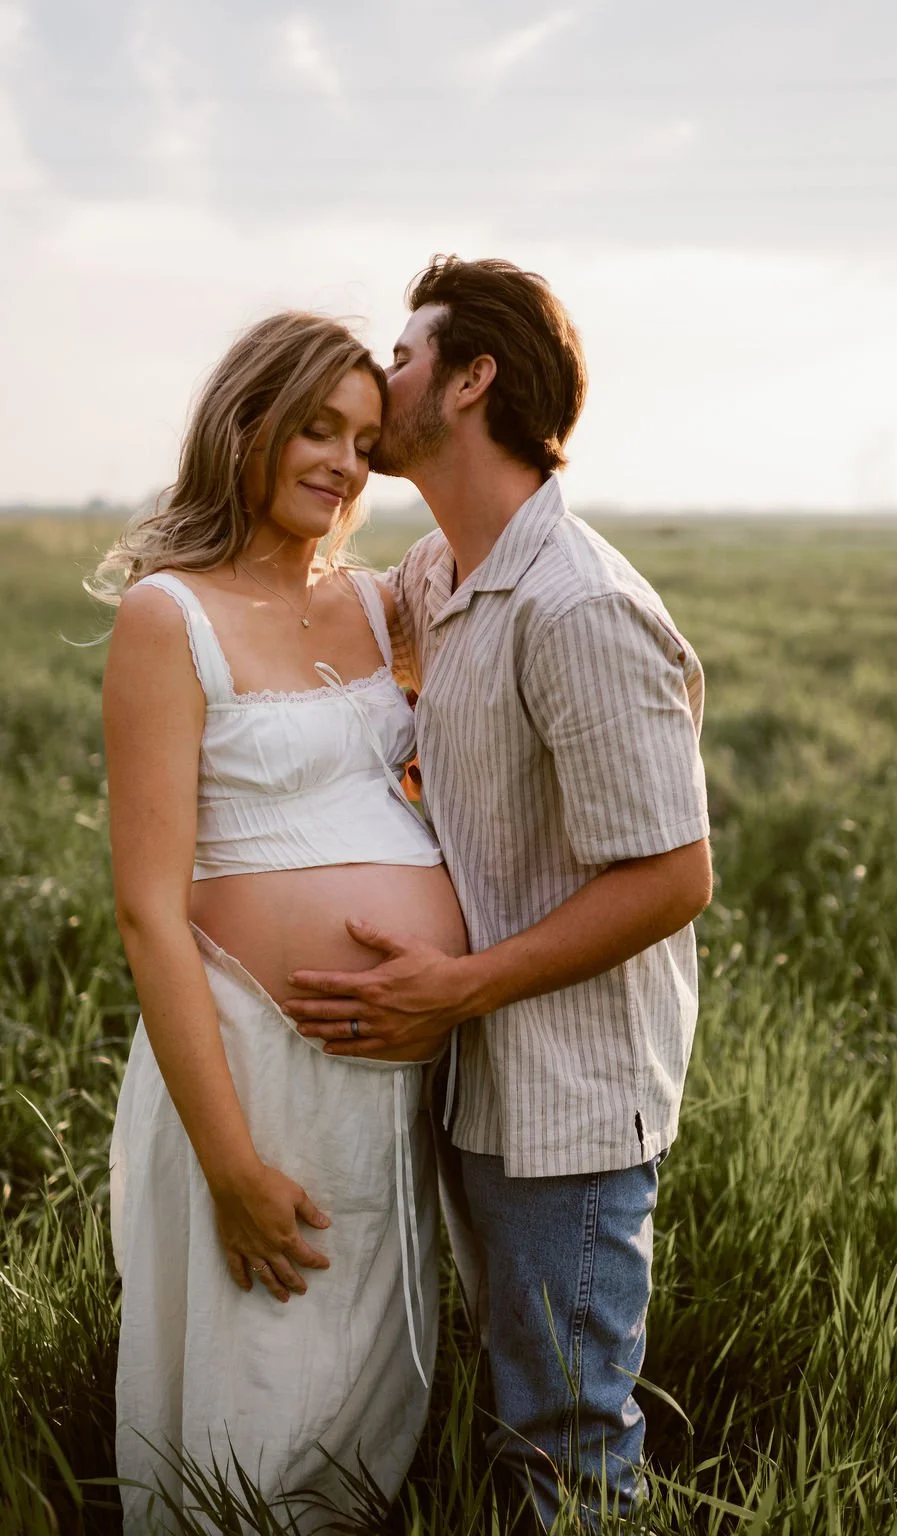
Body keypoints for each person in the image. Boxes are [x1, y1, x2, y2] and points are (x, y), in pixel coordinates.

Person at [285, 257, 713, 1530]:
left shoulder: (576, 605)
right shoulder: (440, 577)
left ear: (473, 381)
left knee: (566, 1443)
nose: (380, 374)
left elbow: (674, 874)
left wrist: (459, 983)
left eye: (404, 356)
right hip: (470, 1076)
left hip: (566, 1103)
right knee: (505, 1403)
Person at [95, 312, 468, 1532]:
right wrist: (230, 1166)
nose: (346, 462)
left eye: (365, 440)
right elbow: (150, 915)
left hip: (390, 1086)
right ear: (244, 423)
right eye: (317, 428)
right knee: (248, 1414)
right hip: (250, 1072)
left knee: (362, 1417)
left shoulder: (376, 604)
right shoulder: (170, 615)